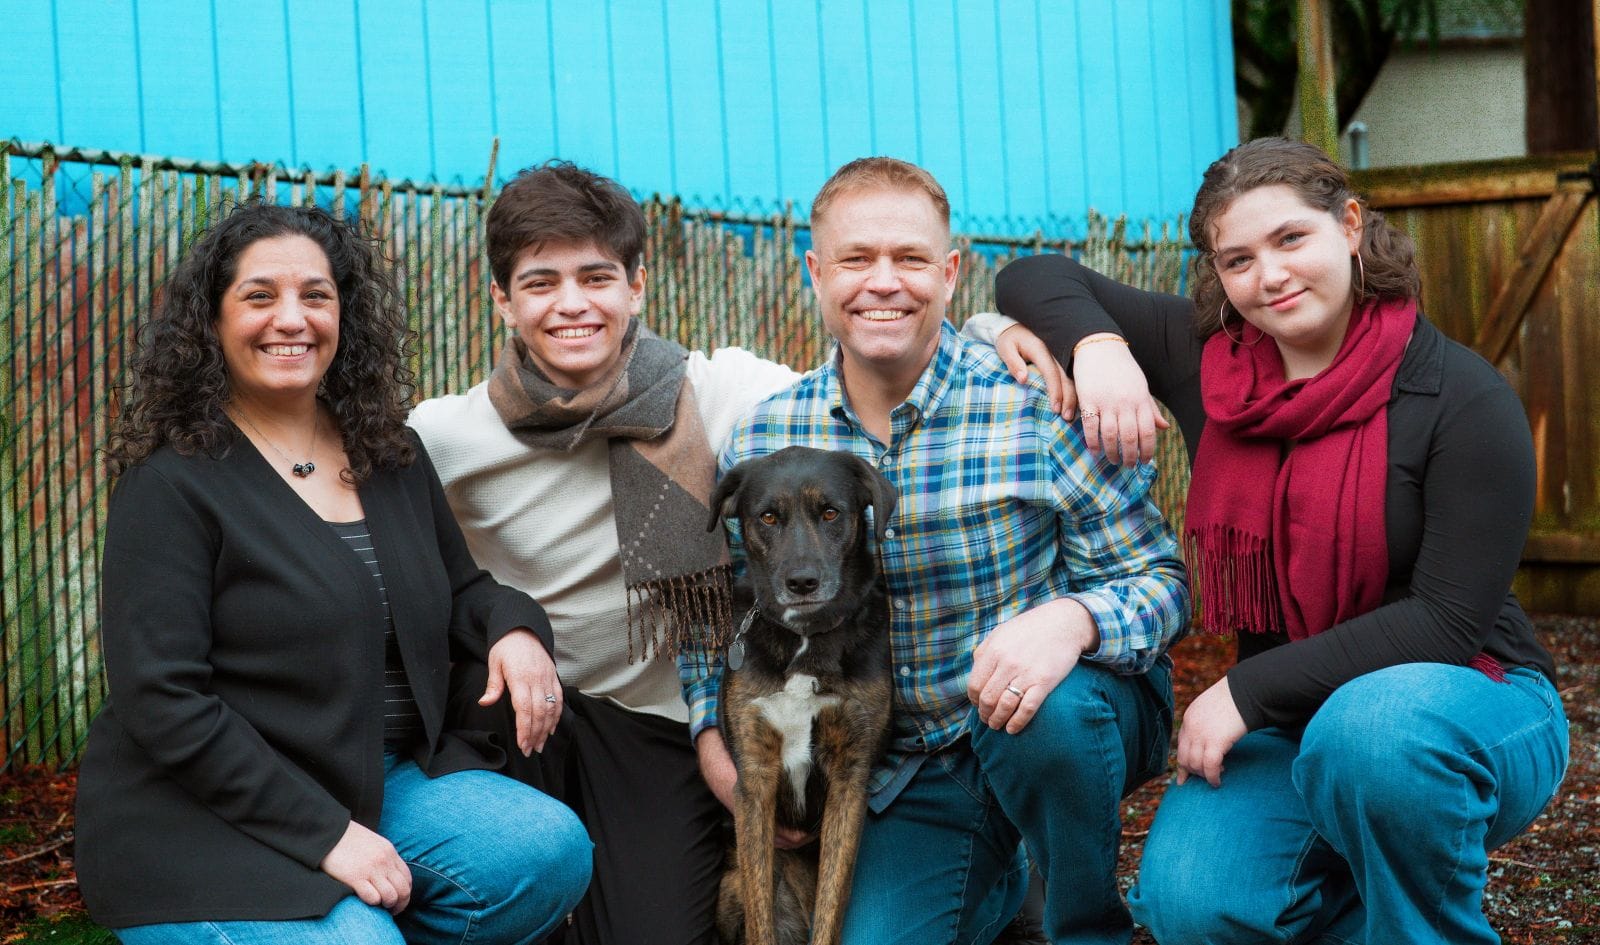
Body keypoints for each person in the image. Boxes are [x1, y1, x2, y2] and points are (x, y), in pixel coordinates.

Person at [410, 160, 1069, 945]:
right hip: (528, 716)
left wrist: (1003, 334)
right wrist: (498, 626)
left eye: (597, 276)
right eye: (541, 282)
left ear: (638, 286)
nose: (574, 303)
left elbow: (875, 357)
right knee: (515, 879)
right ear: (502, 301)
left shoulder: (718, 394)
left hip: (650, 727)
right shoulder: (446, 436)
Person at [993, 137, 1569, 945]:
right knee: (1193, 905)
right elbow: (1033, 276)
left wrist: (1244, 691)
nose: (1268, 276)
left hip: (1472, 700)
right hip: (1298, 722)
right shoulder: (1210, 363)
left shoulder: (1460, 398)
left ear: (1351, 225)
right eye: (1238, 259)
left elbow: (1445, 622)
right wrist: (1095, 345)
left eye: (1291, 239)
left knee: (1369, 733)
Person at [679, 156, 1190, 945]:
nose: (883, 282)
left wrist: (1074, 620)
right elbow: (715, 606)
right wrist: (712, 734)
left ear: (950, 273)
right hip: (903, 771)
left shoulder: (1034, 407)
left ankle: (1086, 922)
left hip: (1043, 722)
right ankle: (1004, 882)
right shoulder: (767, 436)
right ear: (816, 271)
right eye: (856, 259)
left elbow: (1160, 579)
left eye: (910, 259)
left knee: (1049, 717)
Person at [75, 202, 592, 945]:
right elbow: (163, 699)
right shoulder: (172, 485)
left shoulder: (388, 453)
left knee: (546, 852)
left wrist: (515, 628)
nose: (293, 318)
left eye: (316, 295)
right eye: (260, 296)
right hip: (203, 812)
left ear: (344, 314)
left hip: (373, 782)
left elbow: (463, 591)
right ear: (211, 323)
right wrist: (327, 835)